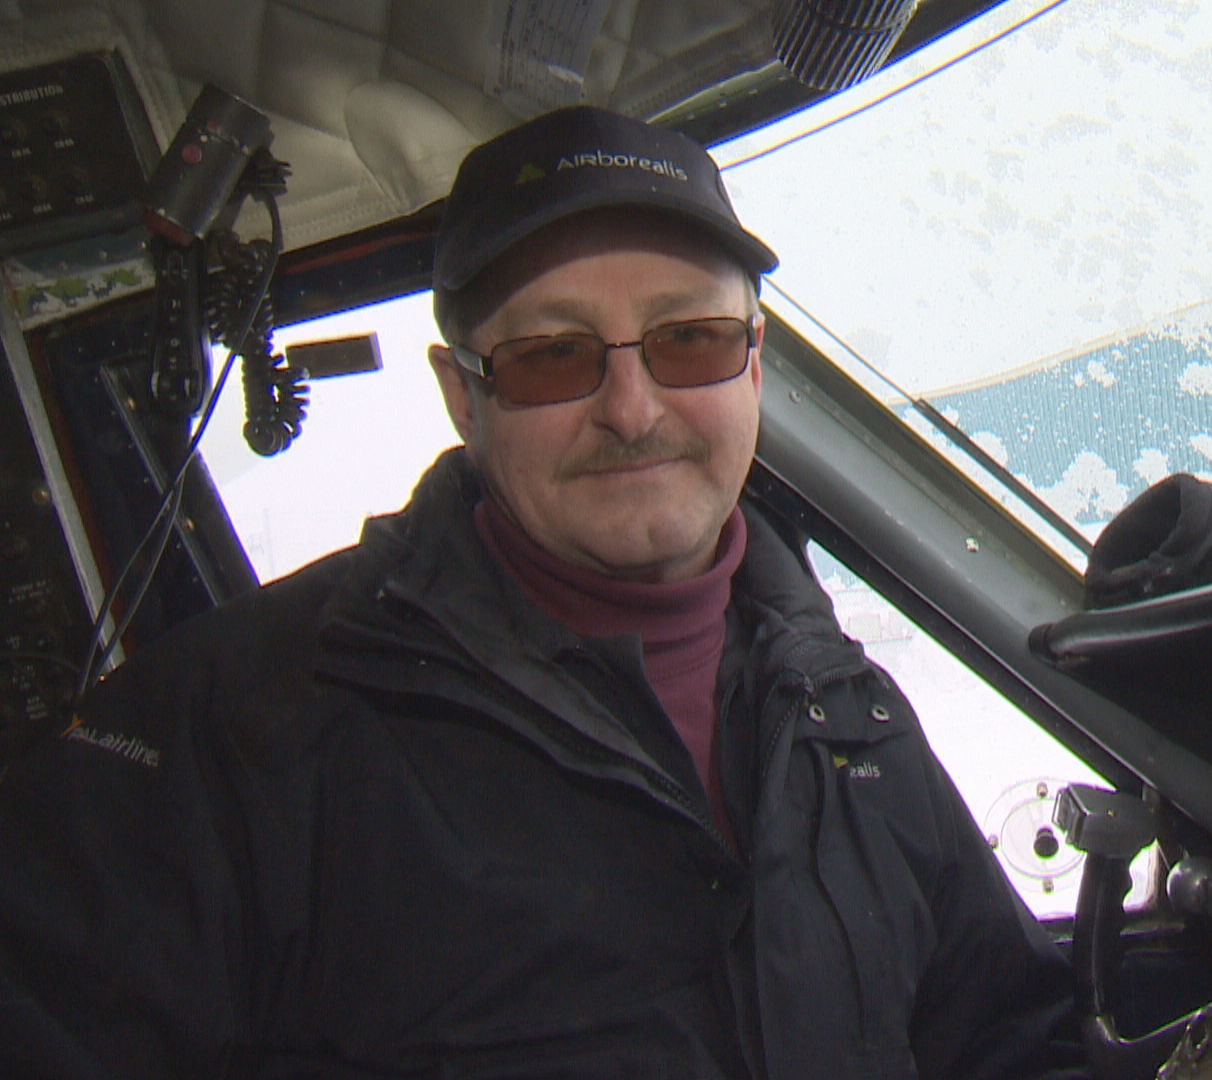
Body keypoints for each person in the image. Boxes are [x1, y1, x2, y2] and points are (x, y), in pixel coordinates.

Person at [0, 105, 1081, 1079]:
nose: (632, 408)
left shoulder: (849, 712)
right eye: (553, 358)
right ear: (461, 397)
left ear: (752, 368)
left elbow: (1005, 1043)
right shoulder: (230, 732)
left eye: (689, 341)